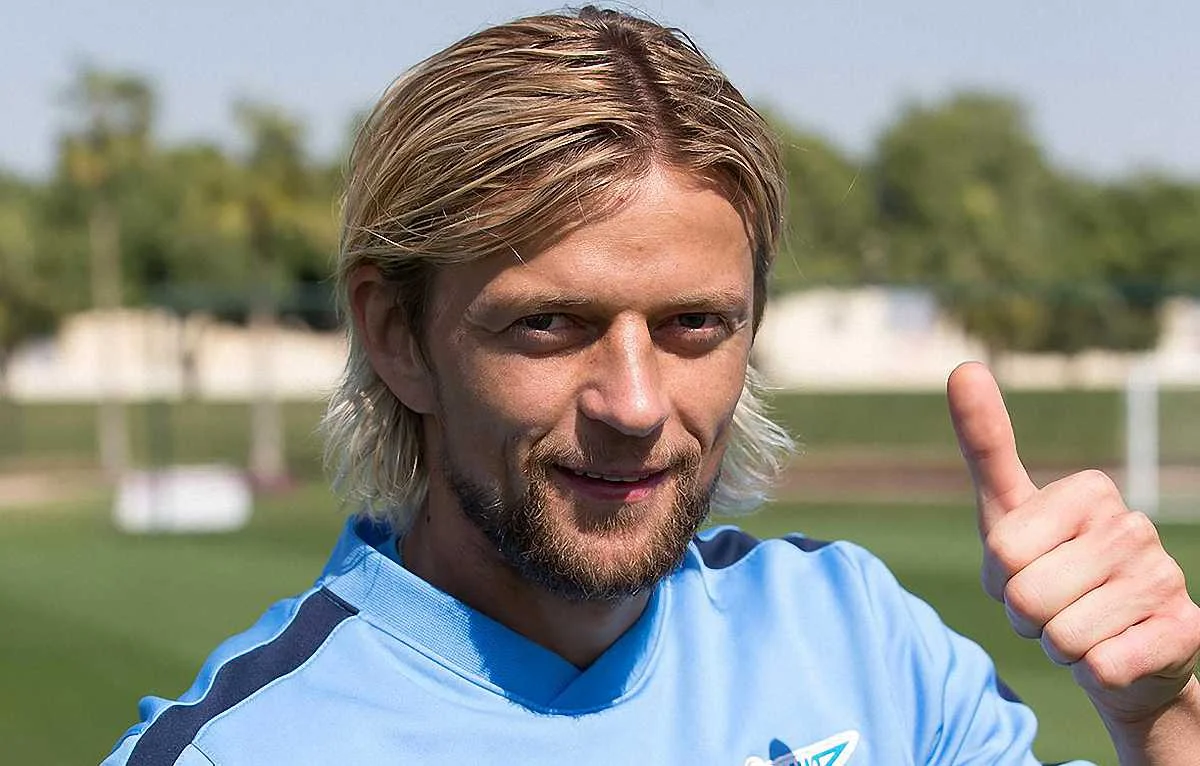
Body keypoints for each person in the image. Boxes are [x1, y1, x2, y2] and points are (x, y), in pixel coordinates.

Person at [103, 7, 1200, 765]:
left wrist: (1160, 719)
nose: (633, 404)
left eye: (692, 325)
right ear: (397, 335)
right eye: (550, 324)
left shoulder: (865, 645)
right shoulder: (238, 748)